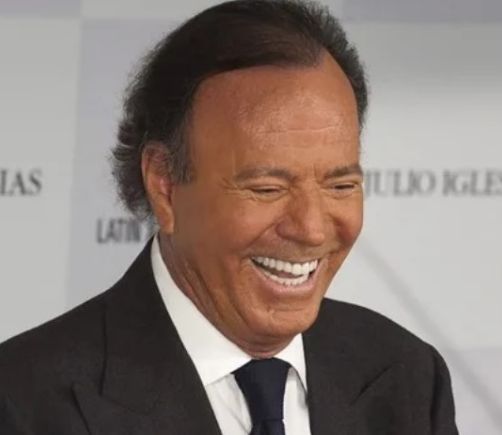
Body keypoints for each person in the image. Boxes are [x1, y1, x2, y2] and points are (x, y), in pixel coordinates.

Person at [0, 1, 458, 434]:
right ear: (165, 185)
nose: (312, 228)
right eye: (267, 189)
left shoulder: (408, 377)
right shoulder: (23, 403)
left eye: (340, 186)